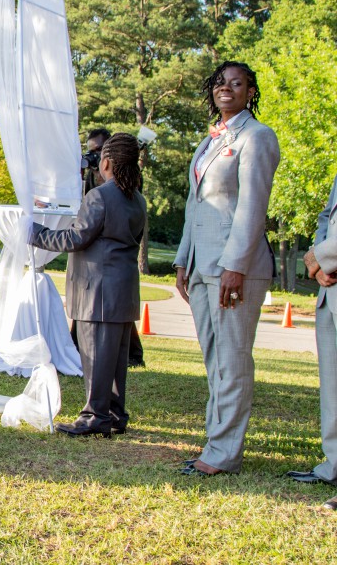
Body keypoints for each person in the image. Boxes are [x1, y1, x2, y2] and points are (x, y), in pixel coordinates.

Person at [174, 61, 280, 476]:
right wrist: (183, 260)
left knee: (232, 361)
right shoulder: (210, 140)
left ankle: (223, 454)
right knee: (215, 361)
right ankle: (215, 442)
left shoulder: (257, 137)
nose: (226, 89)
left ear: (250, 92)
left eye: (237, 84)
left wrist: (234, 266)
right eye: (220, 83)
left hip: (235, 268)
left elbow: (253, 207)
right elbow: (195, 204)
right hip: (201, 266)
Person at [29, 133, 146, 437]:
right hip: (124, 289)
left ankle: (95, 416)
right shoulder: (138, 198)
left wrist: (35, 232)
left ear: (106, 162)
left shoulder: (100, 196)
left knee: (95, 357)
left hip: (97, 290)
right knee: (116, 360)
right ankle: (115, 414)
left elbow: (75, 238)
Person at [286, 173, 337, 505]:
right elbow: (325, 216)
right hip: (330, 288)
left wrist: (322, 257)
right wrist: (318, 261)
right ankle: (334, 465)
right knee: (332, 387)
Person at [77, 127, 146, 368]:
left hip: (106, 268)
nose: (93, 155)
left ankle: (133, 354)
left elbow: (81, 235)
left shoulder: (127, 184)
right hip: (111, 271)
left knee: (107, 332)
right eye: (90, 150)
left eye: (98, 150)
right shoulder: (93, 178)